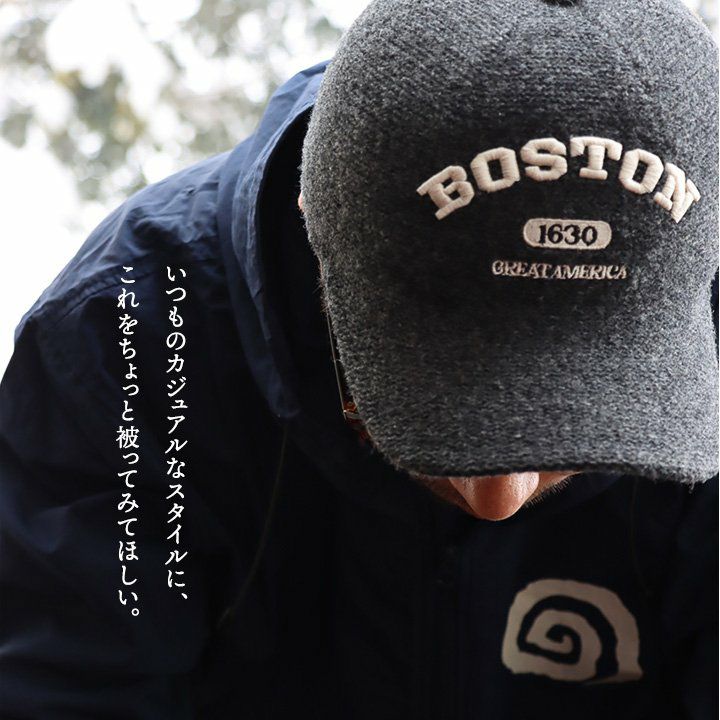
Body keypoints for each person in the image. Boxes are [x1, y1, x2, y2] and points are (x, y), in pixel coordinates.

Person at [0, 0, 717, 717]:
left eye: (578, 424)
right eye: (424, 401)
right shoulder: (129, 343)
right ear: (312, 230)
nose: (498, 500)